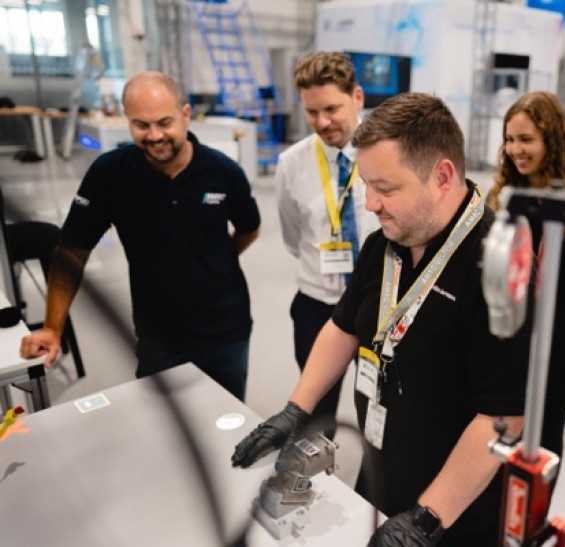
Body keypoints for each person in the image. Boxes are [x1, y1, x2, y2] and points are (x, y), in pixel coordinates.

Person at [232, 92, 529, 546]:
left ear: (442, 177)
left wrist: (427, 519)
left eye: (385, 189)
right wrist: (296, 408)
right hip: (380, 478)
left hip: (452, 514)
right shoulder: (384, 245)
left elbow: (502, 417)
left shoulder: (496, 271)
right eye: (366, 185)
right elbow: (342, 327)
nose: (370, 203)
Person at [18, 71, 260, 401]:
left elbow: (249, 228)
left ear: (185, 115)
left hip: (226, 330)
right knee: (162, 423)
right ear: (127, 120)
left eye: (165, 123)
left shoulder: (223, 171)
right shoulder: (109, 174)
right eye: (141, 125)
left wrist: (216, 262)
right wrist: (52, 327)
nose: (155, 136)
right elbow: (72, 251)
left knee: (228, 419)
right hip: (158, 336)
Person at [486, 91, 565, 460]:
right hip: (507, 332)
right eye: (510, 139)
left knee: (546, 438)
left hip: (562, 337)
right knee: (498, 432)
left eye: (526, 139)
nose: (515, 149)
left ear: (552, 140)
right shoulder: (502, 199)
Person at [276, 51, 379, 433]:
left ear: (357, 97)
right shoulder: (292, 163)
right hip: (316, 306)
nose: (322, 122)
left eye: (331, 109)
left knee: (378, 410)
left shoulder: (387, 155)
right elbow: (292, 235)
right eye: (312, 112)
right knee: (316, 414)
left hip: (376, 307)